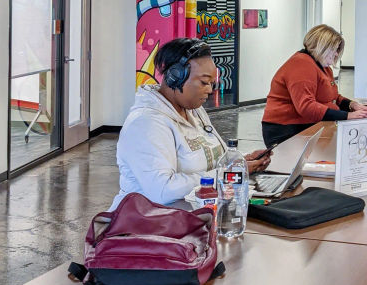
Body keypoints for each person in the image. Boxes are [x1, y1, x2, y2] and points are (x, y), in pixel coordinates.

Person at [110, 38, 271, 210]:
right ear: (175, 77)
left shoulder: (194, 110)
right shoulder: (145, 124)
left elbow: (214, 159)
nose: (210, 90)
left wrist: (240, 161)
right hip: (151, 220)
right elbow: (163, 190)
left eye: (211, 83)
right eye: (204, 82)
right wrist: (228, 174)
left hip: (196, 213)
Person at [262, 24, 367, 146]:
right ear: (322, 47)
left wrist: (352, 105)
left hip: (306, 125)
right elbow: (306, 107)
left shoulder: (323, 67)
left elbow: (334, 97)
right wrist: (347, 116)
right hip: (287, 129)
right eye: (334, 49)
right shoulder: (301, 64)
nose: (336, 54)